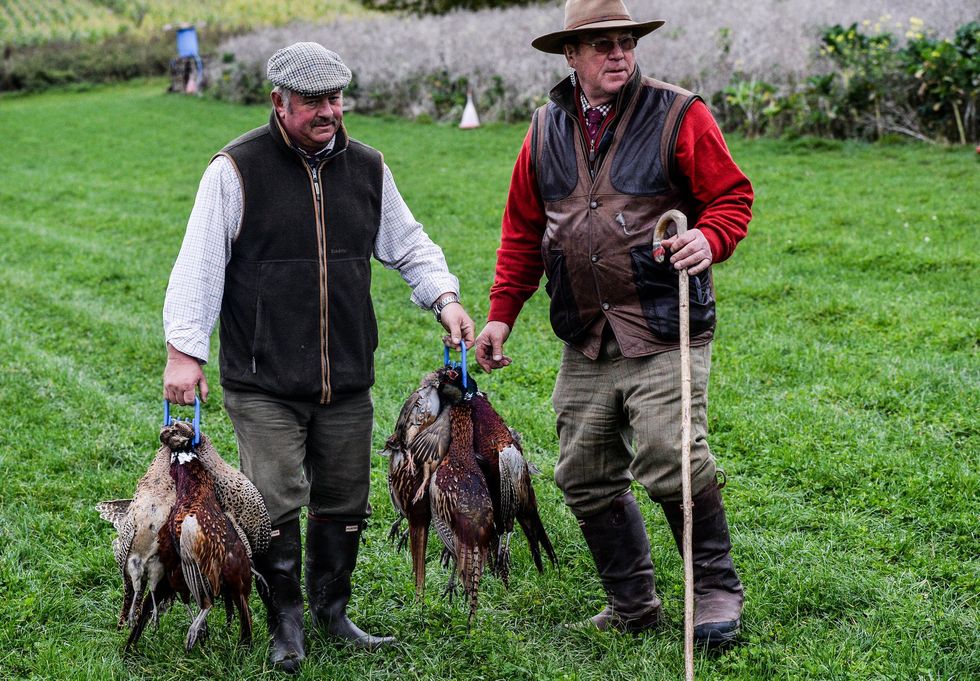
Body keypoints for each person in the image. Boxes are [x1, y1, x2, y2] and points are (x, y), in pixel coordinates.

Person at [163, 42, 475, 672]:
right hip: (264, 379)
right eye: (313, 102)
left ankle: (333, 611)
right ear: (278, 101)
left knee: (344, 499)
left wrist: (444, 298)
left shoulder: (367, 167)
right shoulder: (236, 169)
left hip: (347, 377)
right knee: (275, 498)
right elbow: (199, 265)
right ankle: (287, 624)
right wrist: (183, 352)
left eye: (336, 98)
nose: (329, 112)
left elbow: (407, 242)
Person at [474, 0, 753, 648]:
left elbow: (732, 196)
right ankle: (632, 601)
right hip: (587, 334)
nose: (619, 54)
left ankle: (714, 587)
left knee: (670, 454)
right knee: (581, 473)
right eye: (602, 45)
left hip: (662, 321)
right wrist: (499, 316)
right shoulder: (543, 130)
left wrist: (709, 239)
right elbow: (522, 230)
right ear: (570, 56)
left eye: (626, 42)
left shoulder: (680, 113)